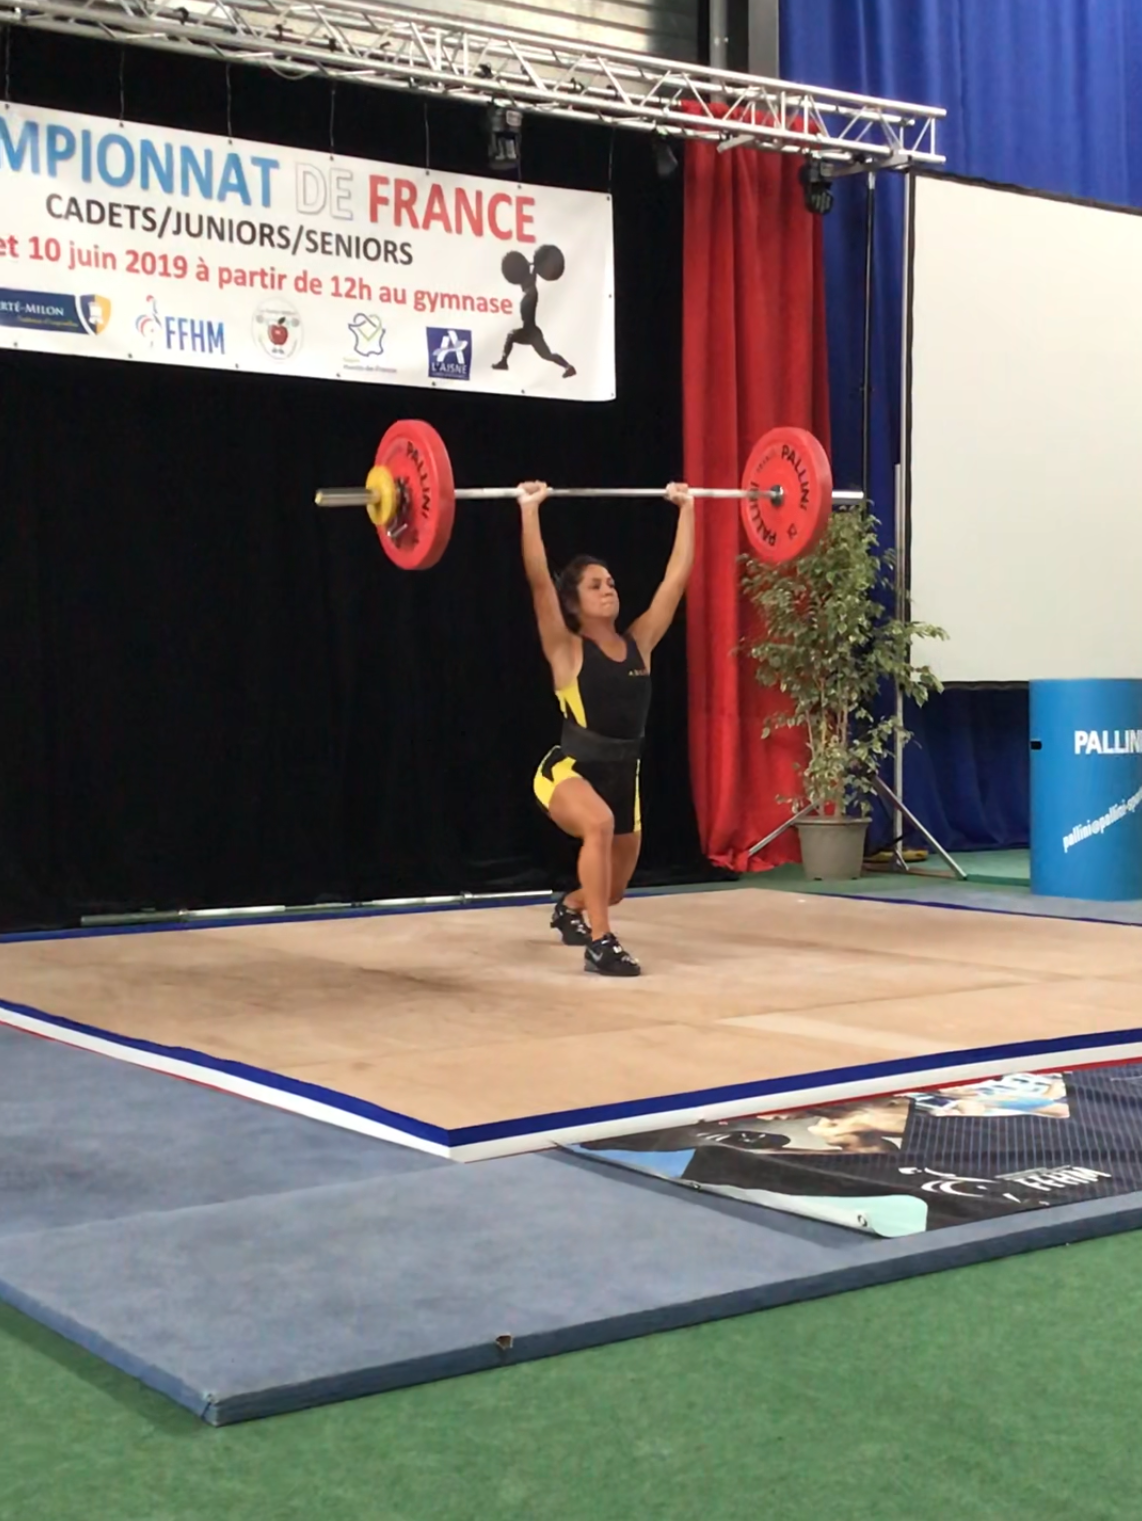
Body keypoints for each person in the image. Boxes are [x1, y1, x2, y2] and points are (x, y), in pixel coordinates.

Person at [518, 479, 695, 975]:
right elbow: (539, 582)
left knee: (612, 889)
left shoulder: (641, 642)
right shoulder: (566, 649)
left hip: (623, 777)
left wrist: (687, 509)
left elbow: (675, 580)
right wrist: (529, 511)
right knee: (597, 825)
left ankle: (571, 908)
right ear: (573, 602)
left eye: (611, 582)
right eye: (595, 585)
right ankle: (601, 944)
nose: (608, 588)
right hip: (568, 771)